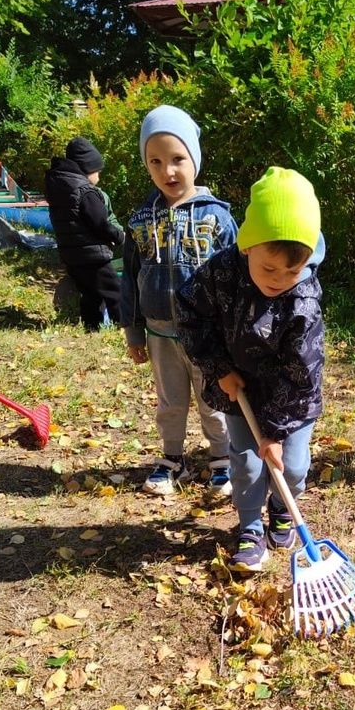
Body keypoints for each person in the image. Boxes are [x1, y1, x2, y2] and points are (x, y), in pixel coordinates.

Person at [177, 166, 325, 572]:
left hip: (290, 399)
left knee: (289, 466)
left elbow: (301, 374)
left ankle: (281, 506)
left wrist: (276, 431)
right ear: (247, 247)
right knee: (245, 463)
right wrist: (219, 367)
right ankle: (249, 526)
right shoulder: (221, 273)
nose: (280, 280)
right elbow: (189, 314)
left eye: (292, 271)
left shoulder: (303, 301)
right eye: (269, 269)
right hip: (236, 387)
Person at [121, 105, 237, 498]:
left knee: (213, 398)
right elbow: (130, 279)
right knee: (170, 401)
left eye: (177, 159)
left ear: (194, 159)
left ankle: (222, 458)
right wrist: (133, 330)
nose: (167, 171)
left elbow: (236, 279)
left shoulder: (217, 217)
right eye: (155, 162)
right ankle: (172, 458)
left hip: (206, 334)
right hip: (160, 333)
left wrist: (236, 332)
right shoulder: (140, 221)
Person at [44, 136, 124, 333]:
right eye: (98, 171)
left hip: (71, 254)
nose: (99, 176)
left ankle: (91, 328)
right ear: (89, 169)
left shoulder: (61, 188)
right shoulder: (86, 192)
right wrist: (119, 237)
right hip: (92, 255)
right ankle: (123, 327)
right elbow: (100, 224)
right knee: (115, 292)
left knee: (90, 294)